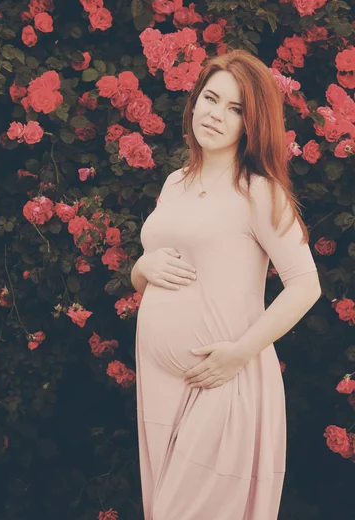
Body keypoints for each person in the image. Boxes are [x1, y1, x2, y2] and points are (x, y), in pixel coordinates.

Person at [130, 48, 321, 520]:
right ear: (194, 102)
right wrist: (142, 267)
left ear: (251, 124)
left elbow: (305, 285)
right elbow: (151, 274)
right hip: (160, 385)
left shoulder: (258, 189)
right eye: (211, 98)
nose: (216, 114)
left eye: (235, 109)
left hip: (223, 381)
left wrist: (238, 353)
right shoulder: (175, 182)